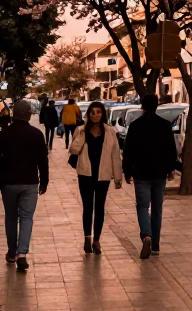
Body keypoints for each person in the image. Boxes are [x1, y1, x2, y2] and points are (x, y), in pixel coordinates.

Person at [0, 99, 49, 272]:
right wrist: (44, 179)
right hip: (30, 182)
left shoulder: (4, 134)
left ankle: (11, 250)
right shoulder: (37, 134)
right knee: (26, 218)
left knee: (11, 216)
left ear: (14, 114)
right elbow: (42, 160)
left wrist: (0, 179)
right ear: (29, 114)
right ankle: (22, 254)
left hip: (8, 182)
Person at [124, 94, 179, 260]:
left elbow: (128, 150)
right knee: (157, 208)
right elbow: (171, 149)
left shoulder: (135, 126)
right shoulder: (164, 125)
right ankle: (155, 244)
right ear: (156, 106)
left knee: (142, 206)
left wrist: (127, 171)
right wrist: (171, 169)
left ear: (142, 106)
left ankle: (146, 235)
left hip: (141, 173)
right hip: (159, 173)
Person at [67, 101, 123, 254]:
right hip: (85, 174)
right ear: (88, 115)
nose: (95, 115)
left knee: (99, 207)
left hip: (103, 175)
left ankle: (97, 240)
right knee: (87, 207)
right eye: (92, 112)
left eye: (98, 112)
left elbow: (115, 156)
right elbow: (73, 149)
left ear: (102, 114)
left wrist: (118, 177)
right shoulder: (80, 130)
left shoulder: (110, 131)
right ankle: (87, 238)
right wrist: (83, 133)